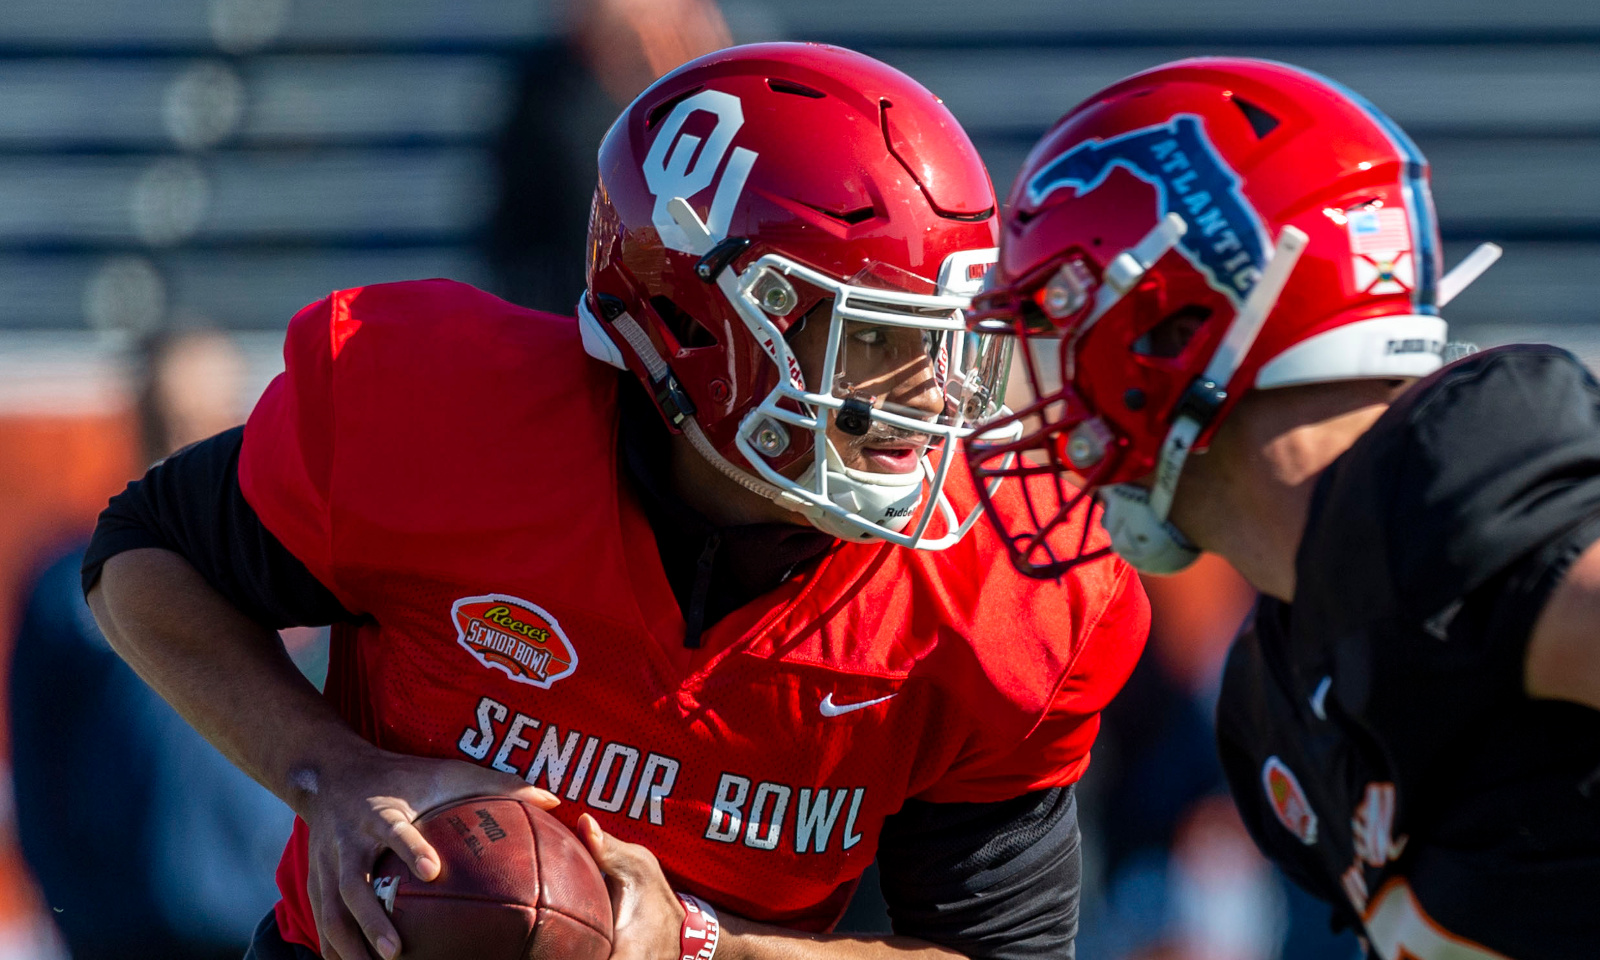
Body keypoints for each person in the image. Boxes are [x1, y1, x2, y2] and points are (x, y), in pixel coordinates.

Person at [84, 44, 1150, 960]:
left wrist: (707, 945)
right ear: (696, 322)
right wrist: (331, 775)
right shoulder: (448, 423)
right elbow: (141, 556)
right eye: (872, 342)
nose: (927, 399)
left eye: (942, 346)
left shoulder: (1000, 595)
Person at [963, 57, 1599, 958]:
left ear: (1176, 328)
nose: (1044, 399)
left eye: (1059, 325)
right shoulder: (1270, 699)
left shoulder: (1460, 480)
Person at [9, 329, 295, 960]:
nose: (177, 440)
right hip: (118, 928)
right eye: (161, 417)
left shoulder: (297, 577)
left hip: (266, 924)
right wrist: (76, 904)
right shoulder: (68, 579)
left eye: (196, 419)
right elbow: (36, 762)